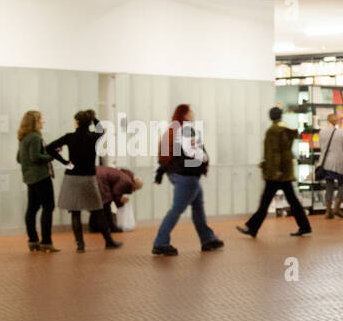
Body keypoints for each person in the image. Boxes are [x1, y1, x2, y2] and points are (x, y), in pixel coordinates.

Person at [152, 103, 224, 256]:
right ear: (184, 114)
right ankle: (160, 242)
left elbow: (166, 157)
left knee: (198, 207)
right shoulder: (186, 130)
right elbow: (192, 152)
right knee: (176, 210)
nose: (192, 113)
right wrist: (204, 158)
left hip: (178, 175)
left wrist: (160, 173)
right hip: (187, 177)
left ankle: (207, 239)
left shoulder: (171, 130)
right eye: (190, 111)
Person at [47, 109, 118, 251]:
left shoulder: (70, 137)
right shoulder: (94, 137)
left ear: (77, 122)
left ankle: (80, 246)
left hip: (72, 178)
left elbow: (49, 148)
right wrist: (94, 118)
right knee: (98, 210)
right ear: (89, 123)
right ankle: (109, 241)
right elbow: (101, 130)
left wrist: (65, 161)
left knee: (75, 212)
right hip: (89, 178)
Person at [238, 107, 312, 239]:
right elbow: (284, 151)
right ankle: (304, 226)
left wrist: (274, 170)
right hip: (286, 172)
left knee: (265, 202)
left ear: (270, 116)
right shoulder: (286, 130)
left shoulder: (273, 131)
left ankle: (252, 227)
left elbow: (275, 152)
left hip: (275, 175)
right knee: (292, 201)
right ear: (281, 116)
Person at [17, 110, 64, 252]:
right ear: (35, 122)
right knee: (48, 207)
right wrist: (52, 155)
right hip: (41, 177)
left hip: (30, 178)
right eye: (41, 119)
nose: (43, 121)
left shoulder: (24, 137)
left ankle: (33, 241)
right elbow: (36, 157)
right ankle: (46, 242)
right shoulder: (35, 137)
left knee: (32, 208)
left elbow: (19, 158)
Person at [317, 110, 343, 219]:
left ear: (327, 120)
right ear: (337, 121)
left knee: (329, 185)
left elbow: (322, 147)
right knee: (342, 184)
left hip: (326, 163)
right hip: (339, 162)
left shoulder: (322, 132)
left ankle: (328, 211)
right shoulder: (342, 133)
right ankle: (337, 208)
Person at [95, 165, 141, 232]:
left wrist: (119, 200)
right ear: (134, 186)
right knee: (106, 203)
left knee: (98, 204)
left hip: (97, 174)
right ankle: (112, 228)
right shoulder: (127, 182)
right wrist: (120, 202)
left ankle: (95, 226)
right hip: (101, 179)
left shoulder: (125, 175)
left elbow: (116, 190)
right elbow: (116, 193)